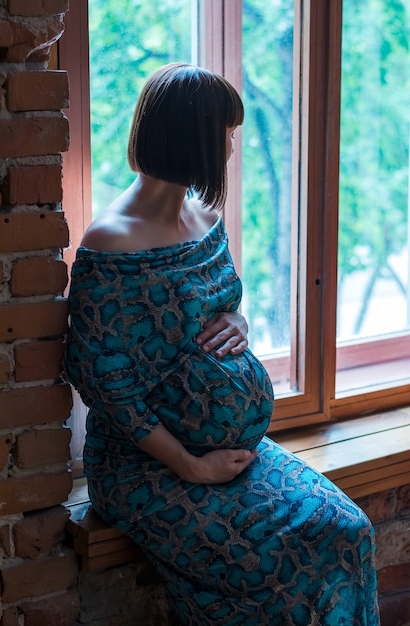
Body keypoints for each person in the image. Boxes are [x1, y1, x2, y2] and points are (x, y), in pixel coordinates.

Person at [64, 63, 380, 625]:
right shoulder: (111, 243)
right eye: (227, 136)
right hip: (150, 467)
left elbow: (223, 304)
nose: (233, 147)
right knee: (276, 565)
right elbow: (105, 385)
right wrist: (191, 466)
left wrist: (240, 320)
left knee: (348, 532)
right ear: (194, 141)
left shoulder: (205, 217)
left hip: (234, 454)